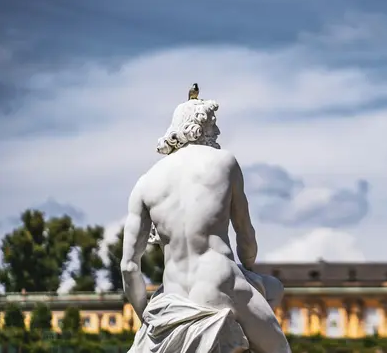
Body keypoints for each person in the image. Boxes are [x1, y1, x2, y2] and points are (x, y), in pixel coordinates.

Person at [121, 93, 290, 353]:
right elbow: (246, 238)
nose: (218, 132)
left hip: (171, 298)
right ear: (200, 128)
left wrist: (147, 318)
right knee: (279, 343)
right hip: (220, 283)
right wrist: (247, 269)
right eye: (213, 125)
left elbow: (129, 266)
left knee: (272, 288)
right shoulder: (224, 162)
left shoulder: (145, 183)